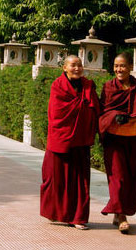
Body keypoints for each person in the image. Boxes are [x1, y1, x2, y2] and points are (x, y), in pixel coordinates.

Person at [99, 52, 136, 234]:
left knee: (131, 177)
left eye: (122, 65)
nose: (119, 69)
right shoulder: (108, 87)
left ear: (130, 66)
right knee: (118, 176)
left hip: (133, 137)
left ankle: (119, 212)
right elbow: (102, 112)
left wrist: (131, 120)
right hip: (114, 139)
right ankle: (122, 216)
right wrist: (115, 116)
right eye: (116, 66)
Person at [40, 55, 99, 230]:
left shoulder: (88, 86)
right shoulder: (58, 86)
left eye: (79, 65)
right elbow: (56, 113)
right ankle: (58, 214)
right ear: (64, 68)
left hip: (80, 141)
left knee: (80, 181)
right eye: (73, 65)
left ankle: (78, 217)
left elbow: (95, 108)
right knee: (56, 178)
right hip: (61, 139)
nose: (77, 68)